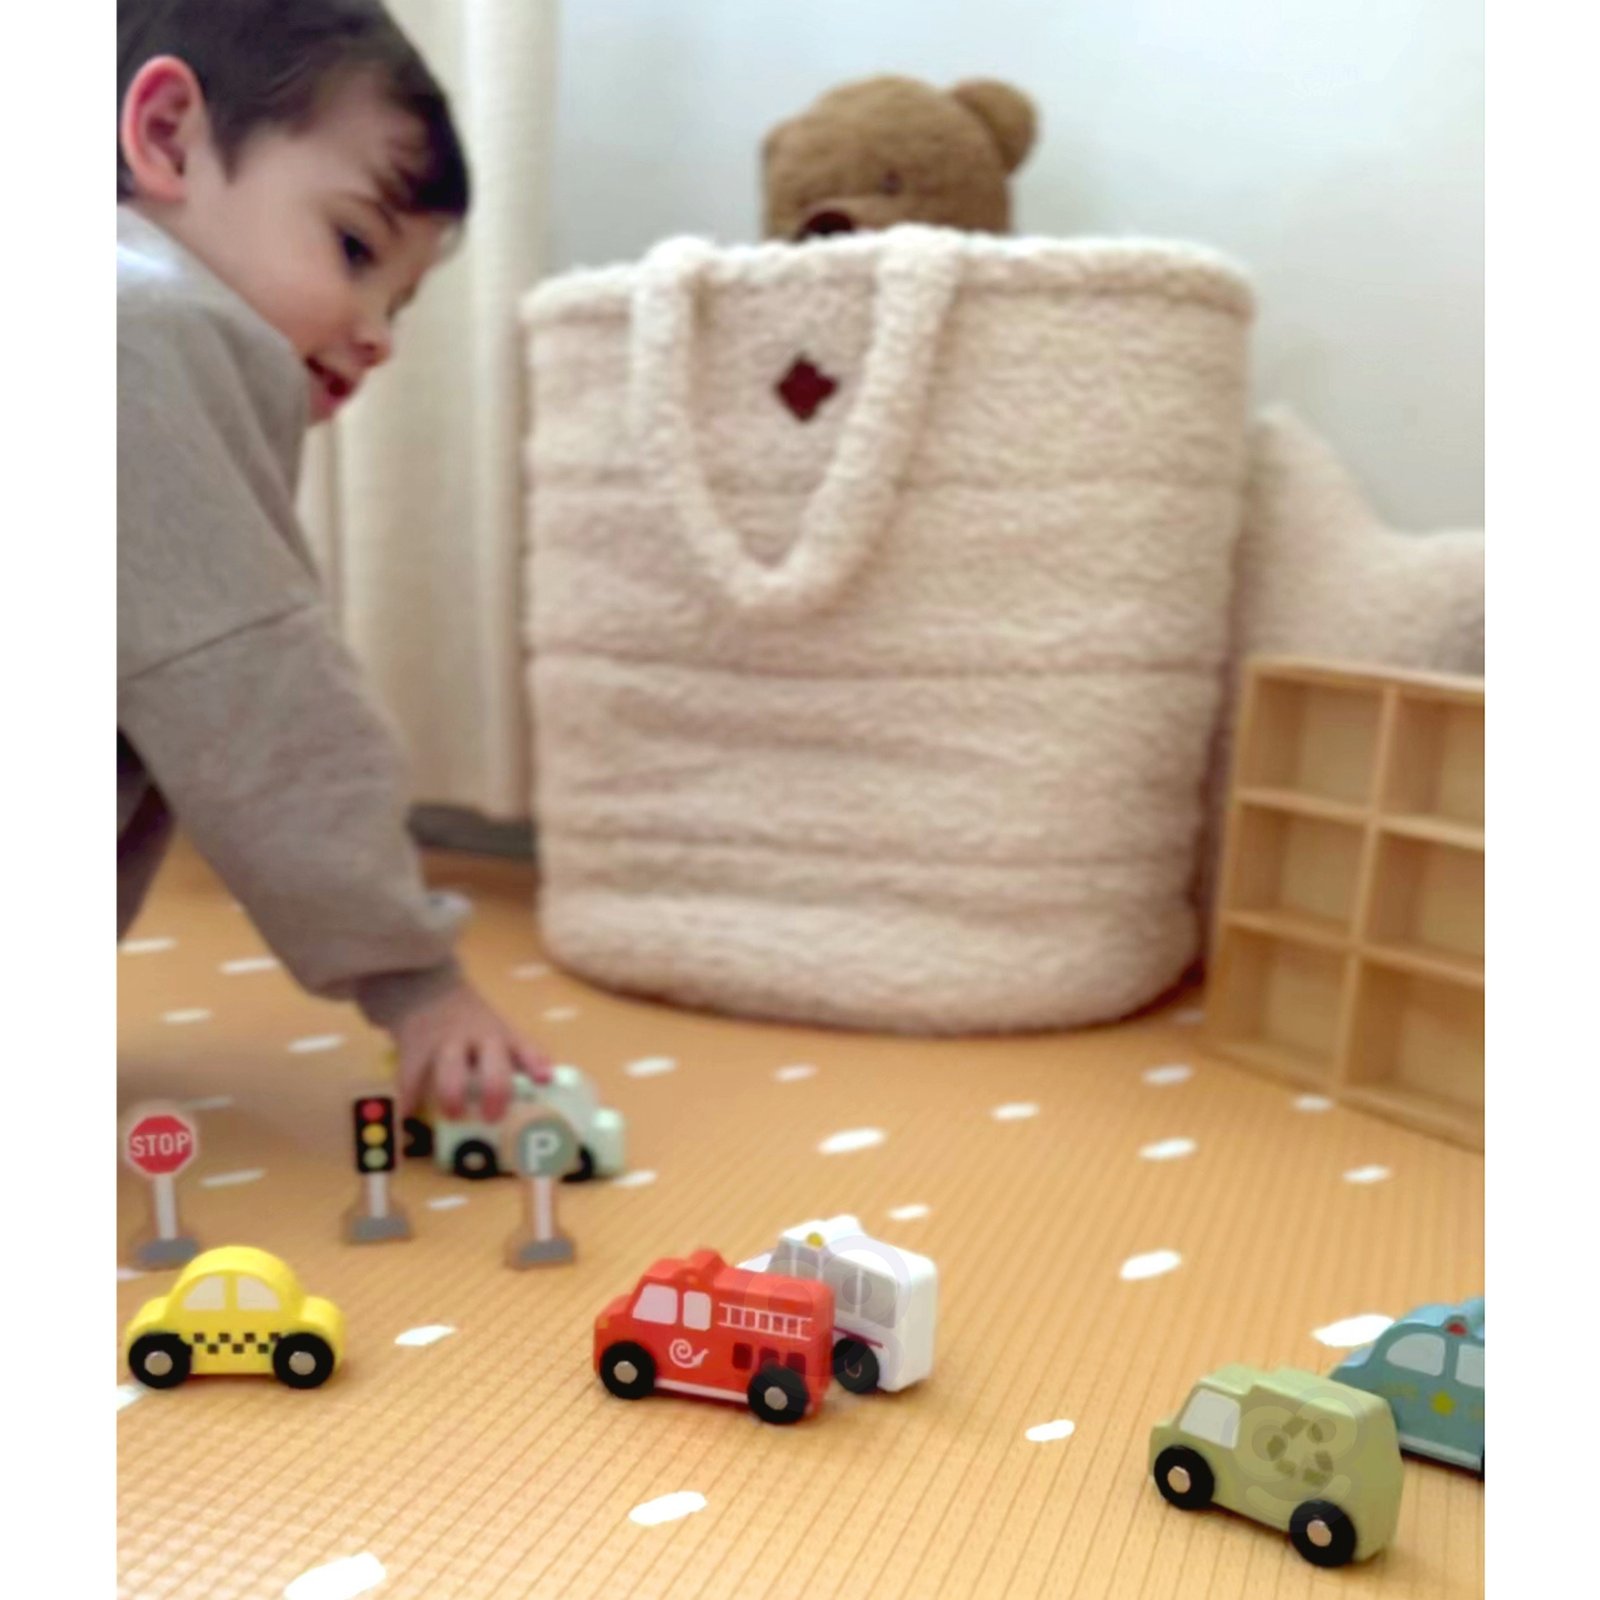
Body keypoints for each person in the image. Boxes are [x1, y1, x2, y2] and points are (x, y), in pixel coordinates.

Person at [117, 0, 547, 1120]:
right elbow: (257, 697)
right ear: (164, 136)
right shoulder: (145, 331)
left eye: (398, 301)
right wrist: (416, 979)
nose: (379, 334)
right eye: (354, 248)